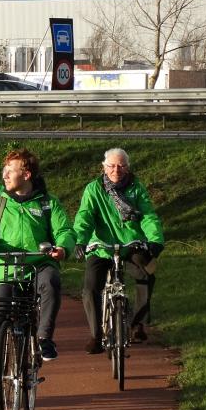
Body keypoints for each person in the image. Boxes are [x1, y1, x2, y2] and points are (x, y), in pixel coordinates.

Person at [0, 148, 74, 406]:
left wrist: (62, 248)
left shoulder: (48, 202)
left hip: (39, 264)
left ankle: (44, 339)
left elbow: (64, 231)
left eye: (10, 170)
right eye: (4, 170)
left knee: (51, 282)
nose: (4, 175)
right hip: (6, 267)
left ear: (26, 174)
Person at [73, 147, 165, 354]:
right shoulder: (93, 189)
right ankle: (96, 336)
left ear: (127, 167)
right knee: (90, 288)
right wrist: (80, 241)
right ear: (103, 167)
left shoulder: (136, 188)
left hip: (130, 245)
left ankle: (137, 322)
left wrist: (155, 240)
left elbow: (148, 216)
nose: (117, 170)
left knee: (147, 273)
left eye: (121, 166)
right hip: (101, 248)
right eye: (112, 166)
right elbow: (85, 218)